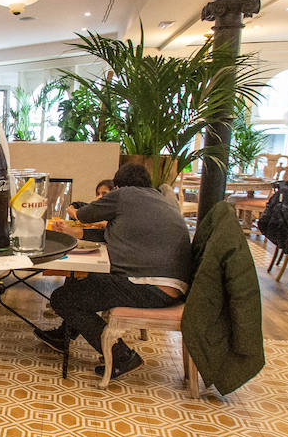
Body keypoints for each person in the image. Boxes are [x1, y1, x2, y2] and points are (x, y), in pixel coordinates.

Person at [36, 162, 193, 381]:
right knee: (86, 279)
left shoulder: (125, 195)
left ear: (118, 187)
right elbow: (120, 235)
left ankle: (122, 356)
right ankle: (65, 335)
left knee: (62, 298)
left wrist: (73, 211)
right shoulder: (159, 200)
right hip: (172, 285)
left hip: (152, 288)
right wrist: (79, 233)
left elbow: (85, 214)